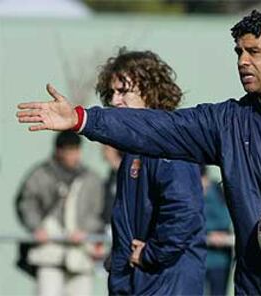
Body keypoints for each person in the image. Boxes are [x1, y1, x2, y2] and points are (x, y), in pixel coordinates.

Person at [16, 10, 261, 295]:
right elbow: (157, 126)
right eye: (238, 52)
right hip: (259, 288)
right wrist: (83, 119)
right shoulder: (227, 122)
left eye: (253, 51)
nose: (242, 61)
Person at [95, 48, 206, 295]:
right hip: (138, 283)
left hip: (166, 284)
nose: (115, 101)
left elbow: (184, 212)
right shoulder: (133, 149)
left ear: (150, 92)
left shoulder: (170, 144)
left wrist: (151, 254)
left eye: (123, 91)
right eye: (111, 93)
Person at [15, 131, 105, 296]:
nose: (74, 155)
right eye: (69, 150)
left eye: (76, 150)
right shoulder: (41, 175)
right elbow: (26, 203)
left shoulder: (90, 178)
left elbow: (100, 212)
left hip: (80, 254)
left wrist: (86, 231)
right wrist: (36, 227)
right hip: (49, 250)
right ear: (59, 151)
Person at [201, 166, 233, 296]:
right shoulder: (190, 196)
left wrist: (225, 238)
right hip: (200, 259)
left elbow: (227, 219)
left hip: (220, 260)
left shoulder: (219, 192)